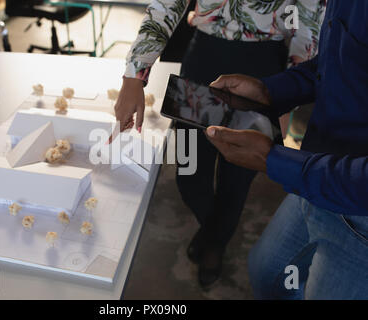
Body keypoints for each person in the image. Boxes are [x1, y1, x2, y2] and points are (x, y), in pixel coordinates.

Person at [114, 0, 325, 288]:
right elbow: (166, 4)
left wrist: (290, 100)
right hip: (201, 61)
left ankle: (214, 246)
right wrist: (133, 76)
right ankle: (214, 233)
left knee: (236, 181)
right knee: (187, 174)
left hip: (265, 71)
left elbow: (309, 17)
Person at [205, 0, 368, 299]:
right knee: (267, 272)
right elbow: (339, 62)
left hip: (359, 214)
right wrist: (270, 91)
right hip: (315, 171)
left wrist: (274, 161)